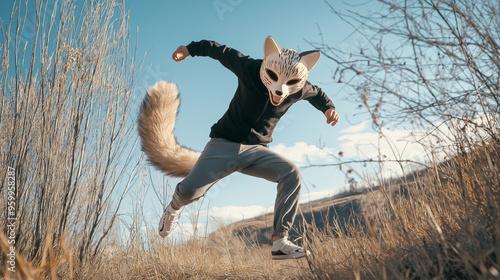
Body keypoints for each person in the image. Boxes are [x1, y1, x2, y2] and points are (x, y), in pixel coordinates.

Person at [155, 37, 339, 260]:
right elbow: (219, 50)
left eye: (289, 85)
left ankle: (280, 241)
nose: (280, 91)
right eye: (273, 79)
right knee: (188, 192)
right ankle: (173, 209)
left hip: (256, 150)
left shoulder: (299, 89)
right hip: (223, 144)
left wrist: (328, 109)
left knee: (291, 174)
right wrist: (188, 49)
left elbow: (318, 94)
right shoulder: (249, 68)